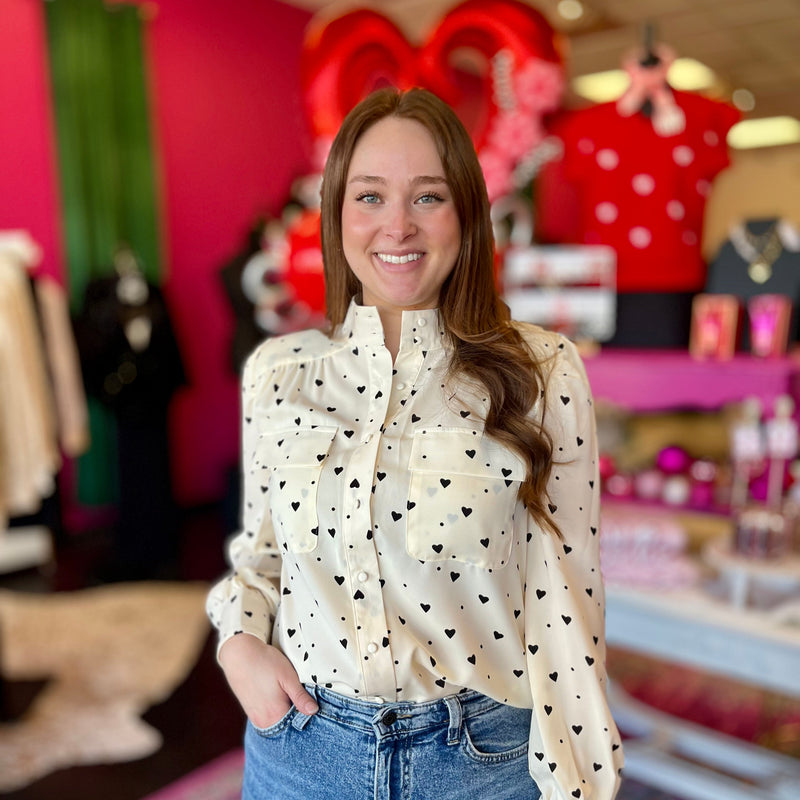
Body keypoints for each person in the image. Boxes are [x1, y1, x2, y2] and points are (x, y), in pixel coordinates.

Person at [206, 87, 623, 800]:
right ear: (336, 215)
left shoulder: (541, 370)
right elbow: (262, 554)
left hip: (480, 762)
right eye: (369, 196)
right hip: (302, 752)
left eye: (427, 196)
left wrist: (579, 785)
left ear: (466, 213)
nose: (396, 225)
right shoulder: (281, 372)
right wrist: (238, 640)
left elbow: (566, 596)